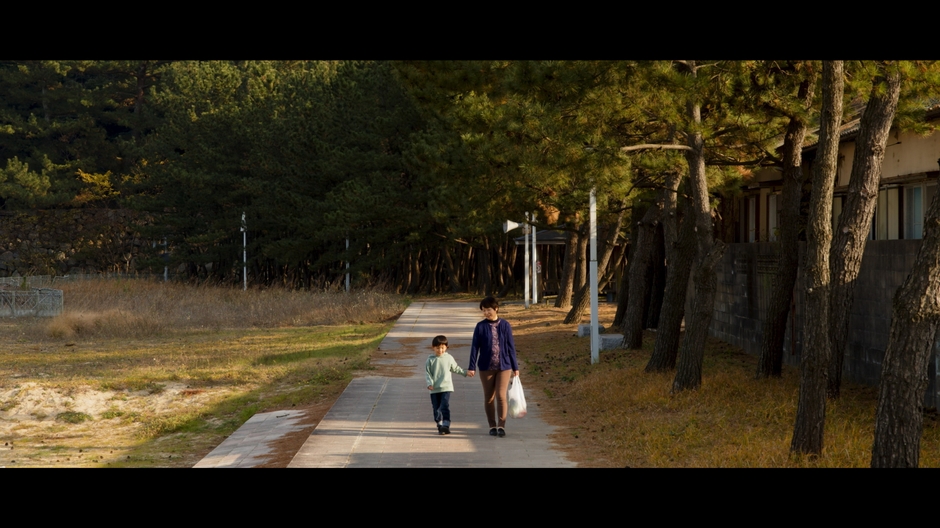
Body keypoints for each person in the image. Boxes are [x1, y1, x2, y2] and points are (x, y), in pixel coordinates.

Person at [467, 296, 519, 437]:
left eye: (488, 309)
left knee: (501, 396)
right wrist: (471, 366)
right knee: (489, 397)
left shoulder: (505, 325)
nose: (486, 312)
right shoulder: (480, 326)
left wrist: (516, 367)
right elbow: (474, 348)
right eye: (483, 310)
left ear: (496, 309)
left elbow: (510, 347)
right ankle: (492, 426)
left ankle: (501, 426)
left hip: (504, 366)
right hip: (485, 366)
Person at [425, 335, 468, 435]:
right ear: (433, 347)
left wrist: (465, 373)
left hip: (446, 387)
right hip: (434, 388)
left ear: (446, 348)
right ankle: (439, 424)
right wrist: (429, 383)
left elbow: (455, 368)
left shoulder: (449, 358)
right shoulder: (430, 360)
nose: (440, 350)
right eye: (438, 348)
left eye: (442, 348)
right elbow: (428, 373)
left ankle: (446, 424)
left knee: (444, 405)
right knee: (436, 407)